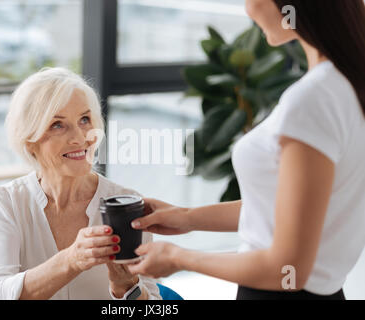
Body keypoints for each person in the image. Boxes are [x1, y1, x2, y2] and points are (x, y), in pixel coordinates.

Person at [127, 0, 365, 300]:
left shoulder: (312, 101)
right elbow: (284, 209)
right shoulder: (345, 83)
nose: (248, 10)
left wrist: (178, 258)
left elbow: (287, 268)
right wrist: (187, 217)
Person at [0, 67, 161, 300]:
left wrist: (126, 288)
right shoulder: (8, 201)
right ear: (29, 140)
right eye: (58, 125)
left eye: (85, 120)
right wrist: (70, 260)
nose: (80, 138)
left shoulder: (126, 205)